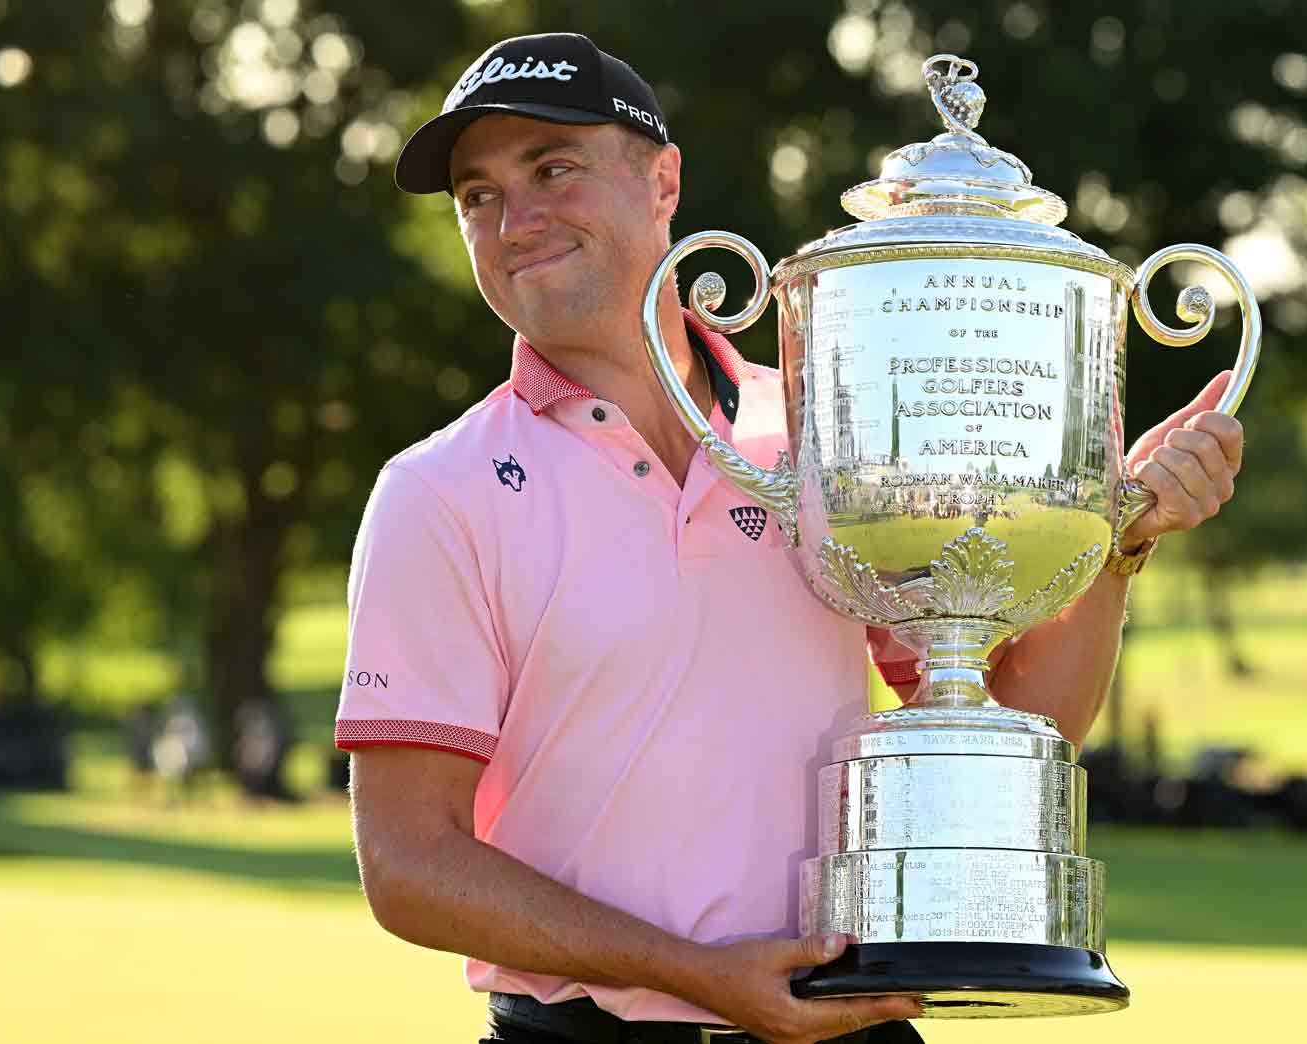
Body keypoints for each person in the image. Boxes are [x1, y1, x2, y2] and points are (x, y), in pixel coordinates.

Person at [335, 33, 1245, 1044]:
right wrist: (695, 975)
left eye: (553, 169)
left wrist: (1114, 542)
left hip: (846, 1030)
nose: (515, 220)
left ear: (662, 181)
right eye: (477, 196)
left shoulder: (829, 437)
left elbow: (1007, 727)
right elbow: (409, 863)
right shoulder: (439, 491)